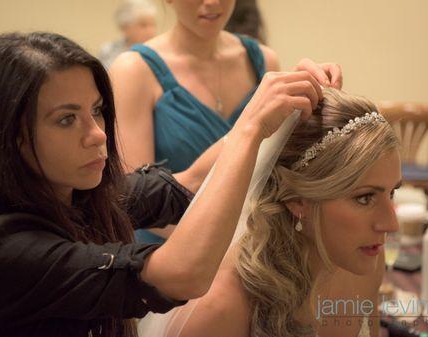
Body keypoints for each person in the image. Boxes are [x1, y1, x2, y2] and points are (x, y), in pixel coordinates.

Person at [0, 31, 322, 337]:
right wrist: (249, 127)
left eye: (96, 110)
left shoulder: (79, 197)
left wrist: (282, 108)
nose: (97, 135)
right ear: (11, 137)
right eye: (66, 120)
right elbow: (181, 275)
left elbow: (192, 181)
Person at [137, 88, 402, 337]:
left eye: (392, 192)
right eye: (365, 198)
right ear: (297, 200)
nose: (391, 224)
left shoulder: (365, 261)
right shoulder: (218, 310)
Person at [110, 0, 343, 243]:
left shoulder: (262, 61)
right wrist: (227, 250)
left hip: (249, 252)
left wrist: (315, 94)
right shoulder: (133, 71)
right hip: (170, 255)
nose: (212, 2)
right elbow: (136, 204)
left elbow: (274, 165)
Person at [98, 0, 158, 68]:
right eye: (143, 25)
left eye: (153, 24)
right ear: (125, 27)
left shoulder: (160, 52)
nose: (151, 30)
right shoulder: (108, 51)